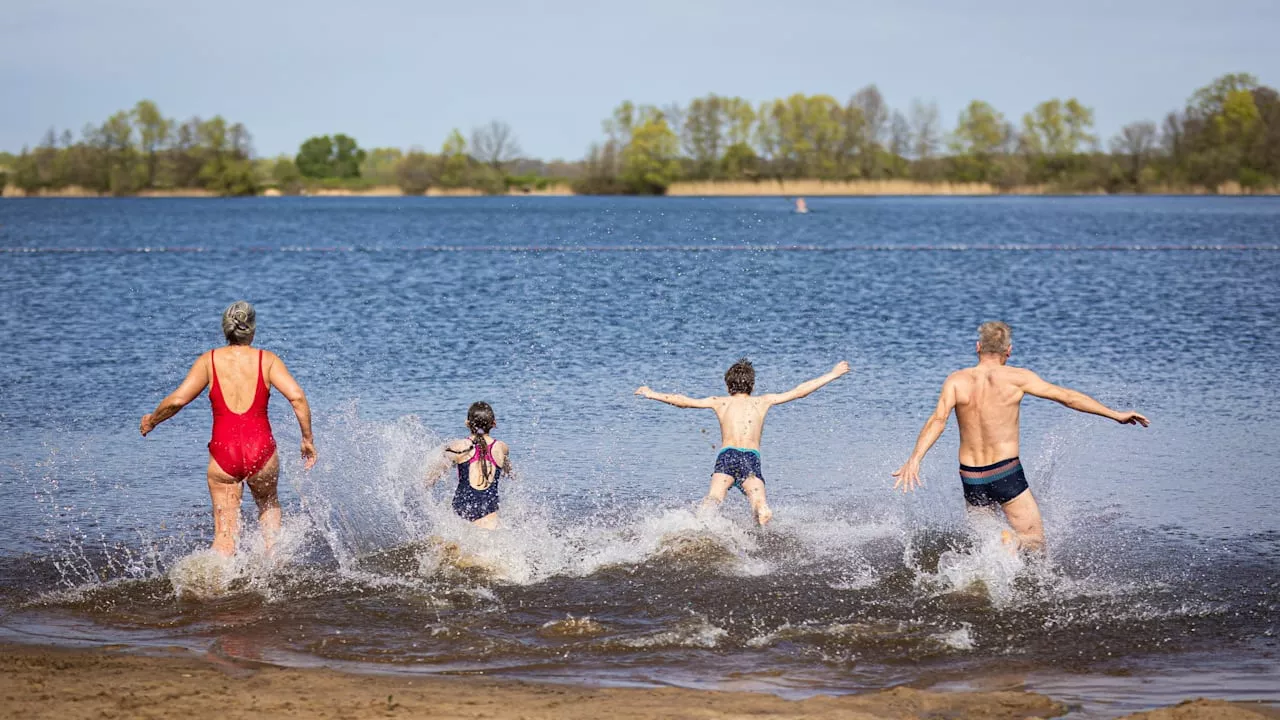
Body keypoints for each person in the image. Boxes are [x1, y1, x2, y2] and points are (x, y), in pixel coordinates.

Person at [891, 321, 1148, 552]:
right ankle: (1016, 555)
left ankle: (999, 558)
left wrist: (915, 459)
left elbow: (938, 420)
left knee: (988, 539)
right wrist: (1115, 414)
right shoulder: (1018, 377)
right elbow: (1068, 398)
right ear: (1009, 351)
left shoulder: (956, 380)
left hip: (971, 476)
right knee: (1034, 541)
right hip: (1005, 472)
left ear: (978, 347)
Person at [140, 301, 317, 556]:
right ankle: (274, 570)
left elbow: (178, 400)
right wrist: (307, 439)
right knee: (268, 505)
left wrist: (152, 420)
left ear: (225, 330)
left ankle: (215, 589)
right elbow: (297, 397)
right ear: (252, 330)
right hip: (262, 451)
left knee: (224, 538)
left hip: (224, 454)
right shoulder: (267, 360)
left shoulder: (209, 361)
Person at [636, 359, 850, 525]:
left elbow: (683, 402)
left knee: (714, 497)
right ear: (752, 385)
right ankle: (762, 511)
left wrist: (651, 393)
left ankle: (701, 521)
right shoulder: (762, 401)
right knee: (758, 502)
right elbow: (799, 392)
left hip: (727, 455)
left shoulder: (720, 402)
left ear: (728, 385)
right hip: (750, 457)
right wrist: (832, 374)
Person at [425, 402, 515, 530]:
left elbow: (430, 479)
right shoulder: (501, 447)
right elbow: (509, 472)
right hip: (489, 513)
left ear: (467, 423)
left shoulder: (458, 446)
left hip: (462, 512)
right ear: (494, 424)